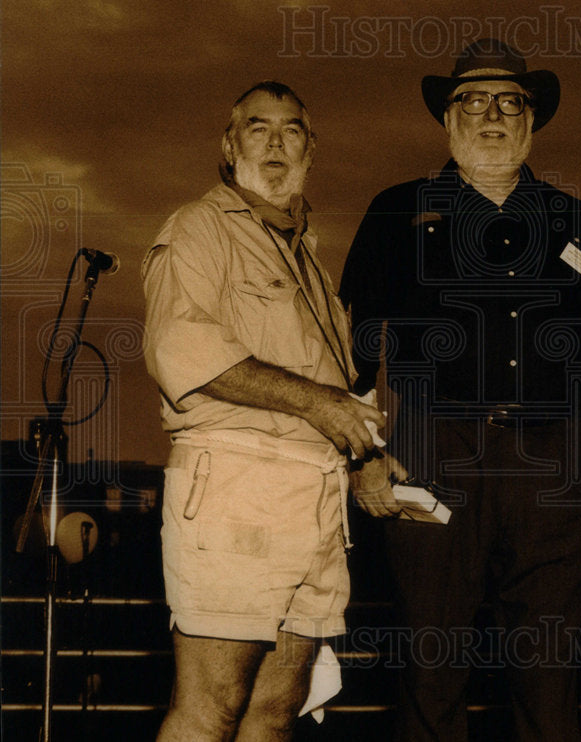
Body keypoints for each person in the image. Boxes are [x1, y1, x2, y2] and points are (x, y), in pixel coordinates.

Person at [339, 38, 581, 742]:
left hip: (556, 465)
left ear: (532, 120)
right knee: (432, 664)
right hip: (433, 452)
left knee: (550, 671)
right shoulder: (395, 211)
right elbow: (347, 350)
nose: (491, 115)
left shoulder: (577, 220)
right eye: (473, 100)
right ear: (448, 118)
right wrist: (361, 458)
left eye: (510, 102)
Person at [142, 81, 403, 742]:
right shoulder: (198, 227)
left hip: (314, 502)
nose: (276, 142)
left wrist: (363, 455)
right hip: (235, 488)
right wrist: (322, 403)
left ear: (312, 150)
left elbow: (336, 388)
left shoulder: (308, 257)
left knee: (274, 710)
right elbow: (181, 350)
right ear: (230, 148)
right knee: (212, 707)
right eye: (258, 128)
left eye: (292, 130)